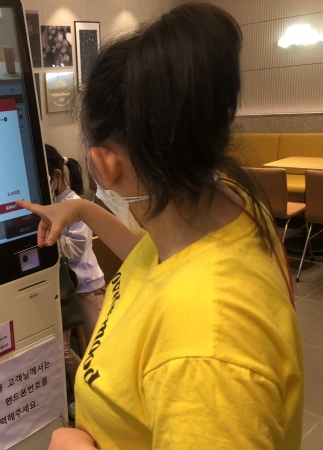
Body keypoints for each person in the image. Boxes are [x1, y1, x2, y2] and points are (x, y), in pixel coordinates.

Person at [18, 3, 303, 449]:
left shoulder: (206, 348)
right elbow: (151, 261)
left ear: (103, 164)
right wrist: (82, 210)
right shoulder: (223, 201)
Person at [45, 144, 106, 382]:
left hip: (88, 288)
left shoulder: (74, 203)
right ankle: (87, 386)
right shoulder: (51, 204)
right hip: (64, 292)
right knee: (61, 350)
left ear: (56, 175)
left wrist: (48, 237)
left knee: (100, 353)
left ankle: (94, 388)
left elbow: (75, 250)